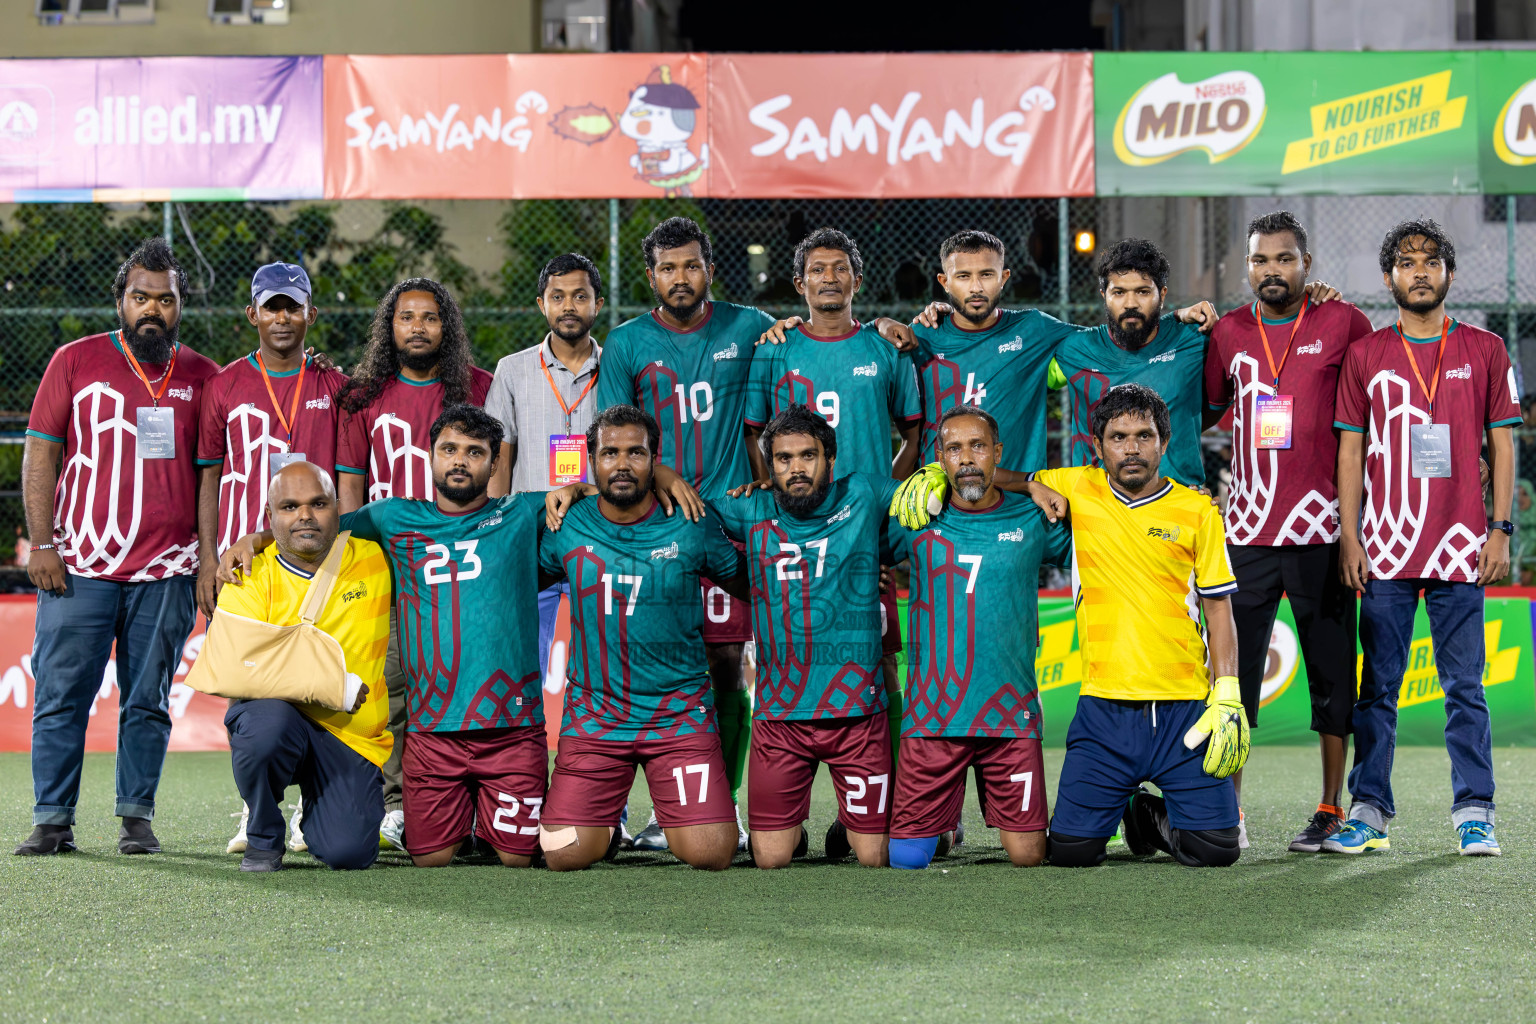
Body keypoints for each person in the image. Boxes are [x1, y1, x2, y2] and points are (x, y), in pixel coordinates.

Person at [222, 405, 552, 868]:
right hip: (434, 729)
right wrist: (255, 539)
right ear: (429, 457)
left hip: (510, 725)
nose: (460, 460)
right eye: (449, 450)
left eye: (475, 452)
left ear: (496, 464)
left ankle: (488, 816)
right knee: (430, 858)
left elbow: (606, 503)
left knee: (518, 860)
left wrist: (587, 486)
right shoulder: (390, 518)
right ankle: (265, 821)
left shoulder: (523, 511)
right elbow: (313, 531)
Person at [16, 237, 219, 857]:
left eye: (165, 298)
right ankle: (52, 820)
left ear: (180, 304)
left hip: (167, 569)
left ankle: (137, 819)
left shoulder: (202, 374)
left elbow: (213, 471)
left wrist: (207, 560)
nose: (152, 309)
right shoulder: (74, 361)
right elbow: (41, 454)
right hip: (80, 564)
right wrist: (43, 542)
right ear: (120, 300)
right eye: (140, 297)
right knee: (60, 695)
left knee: (148, 699)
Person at [1329, 219, 1517, 857]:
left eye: (1431, 262)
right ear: (1389, 278)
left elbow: (1503, 443)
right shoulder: (1366, 355)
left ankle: (1475, 811)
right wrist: (1349, 536)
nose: (1419, 272)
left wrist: (1500, 527)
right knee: (1376, 689)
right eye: (1406, 263)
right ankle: (1369, 811)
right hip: (1385, 549)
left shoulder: (1486, 349)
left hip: (1462, 546)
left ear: (1449, 274)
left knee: (1465, 687)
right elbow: (1350, 454)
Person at [593, 217, 771, 851]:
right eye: (668, 268)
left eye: (690, 265)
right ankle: (646, 812)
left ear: (710, 269)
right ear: (651, 276)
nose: (680, 278)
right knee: (650, 664)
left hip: (725, 523)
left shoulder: (750, 327)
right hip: (650, 529)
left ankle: (717, 806)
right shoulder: (625, 343)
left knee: (727, 665)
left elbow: (794, 369)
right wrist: (662, 473)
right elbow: (612, 431)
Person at [1203, 211, 1376, 852]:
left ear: (1307, 263)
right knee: (1235, 676)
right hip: (1246, 533)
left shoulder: (1343, 322)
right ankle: (1231, 811)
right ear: (1246, 266)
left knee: (1332, 675)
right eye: (1260, 260)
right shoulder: (1227, 333)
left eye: (1284, 259)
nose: (1271, 271)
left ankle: (1331, 806)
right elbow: (1209, 407)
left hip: (1321, 530)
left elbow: (1367, 417)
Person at [743, 226, 924, 797]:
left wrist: (880, 496)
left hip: (866, 534)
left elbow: (916, 433)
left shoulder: (884, 347)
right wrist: (773, 490)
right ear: (799, 284)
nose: (829, 277)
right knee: (778, 656)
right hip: (791, 528)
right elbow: (754, 434)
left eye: (839, 268)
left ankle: (894, 798)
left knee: (882, 659)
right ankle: (781, 803)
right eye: (817, 269)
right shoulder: (774, 348)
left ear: (857, 279)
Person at [1036, 384, 1244, 868]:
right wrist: (952, 475)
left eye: (1144, 436)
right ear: (1098, 446)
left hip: (1184, 712)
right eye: (1119, 436)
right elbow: (1000, 476)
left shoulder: (1198, 511)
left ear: (1164, 443)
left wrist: (1228, 692)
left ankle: (1148, 815)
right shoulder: (1077, 486)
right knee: (1070, 852)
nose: (1131, 448)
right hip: (1104, 712)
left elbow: (1218, 609)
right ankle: (1121, 803)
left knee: (1216, 851)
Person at [537, 405, 748, 872]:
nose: (623, 463)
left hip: (677, 715)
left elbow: (748, 583)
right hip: (596, 716)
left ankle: (671, 817)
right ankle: (606, 825)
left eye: (637, 452)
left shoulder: (691, 521)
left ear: (656, 460)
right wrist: (565, 491)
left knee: (712, 852)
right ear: (591, 460)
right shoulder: (567, 522)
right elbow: (518, 572)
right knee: (562, 854)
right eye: (610, 452)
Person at [335, 278, 494, 851]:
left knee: (464, 684)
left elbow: (494, 479)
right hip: (389, 567)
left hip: (461, 566)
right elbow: (350, 491)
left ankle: (477, 803)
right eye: (407, 317)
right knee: (395, 691)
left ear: (447, 327)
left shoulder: (479, 387)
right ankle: (397, 804)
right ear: (391, 326)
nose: (419, 327)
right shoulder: (362, 397)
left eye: (431, 317)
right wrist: (358, 562)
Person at [197, 262, 349, 856]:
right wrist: (207, 559)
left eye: (293, 307)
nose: (282, 318)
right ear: (252, 314)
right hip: (243, 564)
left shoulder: (335, 386)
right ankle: (256, 807)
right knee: (252, 685)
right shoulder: (225, 384)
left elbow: (349, 477)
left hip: (317, 556)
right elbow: (208, 479)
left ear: (311, 313)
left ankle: (317, 800)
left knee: (317, 672)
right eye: (272, 306)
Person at [708, 404, 901, 868]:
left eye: (808, 456)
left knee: (876, 857)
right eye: (783, 459)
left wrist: (883, 556)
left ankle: (854, 826)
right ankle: (791, 832)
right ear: (768, 466)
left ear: (829, 460)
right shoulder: (750, 507)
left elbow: (935, 494)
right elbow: (682, 506)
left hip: (857, 715)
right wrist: (670, 480)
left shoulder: (866, 492)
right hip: (781, 719)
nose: (796, 468)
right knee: (770, 859)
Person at [886, 405, 1070, 870]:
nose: (966, 458)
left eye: (977, 446)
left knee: (1029, 856)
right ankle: (942, 822)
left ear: (997, 454)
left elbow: (1100, 521)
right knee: (907, 859)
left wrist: (1029, 483)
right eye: (953, 449)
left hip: (1008, 718)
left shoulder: (1033, 520)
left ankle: (949, 819)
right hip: (933, 717)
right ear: (939, 460)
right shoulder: (912, 517)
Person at [215, 462, 392, 872]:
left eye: (318, 504)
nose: (305, 516)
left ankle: (314, 815)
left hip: (351, 735)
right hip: (280, 719)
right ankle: (262, 829)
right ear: (271, 516)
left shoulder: (377, 557)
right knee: (264, 727)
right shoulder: (249, 574)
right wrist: (335, 687)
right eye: (289, 507)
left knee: (348, 854)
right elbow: (238, 667)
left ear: (338, 507)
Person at [484, 253, 605, 695]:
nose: (569, 306)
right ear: (541, 305)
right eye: (558, 297)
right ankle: (526, 757)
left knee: (600, 671)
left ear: (598, 304)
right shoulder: (512, 370)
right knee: (522, 672)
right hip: (530, 543)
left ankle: (590, 758)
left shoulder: (617, 368)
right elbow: (499, 463)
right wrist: (498, 536)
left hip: (597, 539)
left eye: (580, 296)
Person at [1047, 239, 1218, 489]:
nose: (1130, 304)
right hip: (1098, 509)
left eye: (1143, 291)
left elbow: (1220, 402)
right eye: (1119, 292)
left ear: (1162, 295)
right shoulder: (1074, 349)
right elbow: (1024, 385)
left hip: (1177, 503)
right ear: (1104, 295)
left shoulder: (1193, 341)